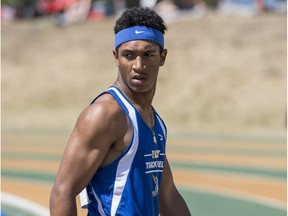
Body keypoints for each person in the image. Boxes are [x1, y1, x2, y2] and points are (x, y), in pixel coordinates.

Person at [50, 7, 191, 216]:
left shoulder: (156, 123)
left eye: (148, 54)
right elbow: (62, 192)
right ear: (116, 57)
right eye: (129, 55)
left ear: (162, 57)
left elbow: (168, 196)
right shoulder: (104, 115)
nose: (138, 65)